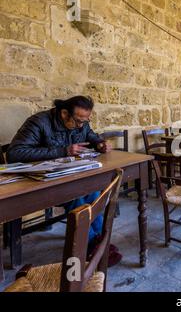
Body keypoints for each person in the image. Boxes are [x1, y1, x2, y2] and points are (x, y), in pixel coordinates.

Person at [7, 96, 122, 266]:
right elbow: (14, 153)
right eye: (77, 121)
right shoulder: (39, 122)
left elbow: (90, 134)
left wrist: (99, 143)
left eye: (85, 120)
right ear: (64, 113)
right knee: (76, 195)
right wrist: (63, 151)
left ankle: (96, 240)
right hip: (41, 181)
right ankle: (91, 244)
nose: (81, 125)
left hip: (68, 174)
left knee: (92, 190)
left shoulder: (81, 123)